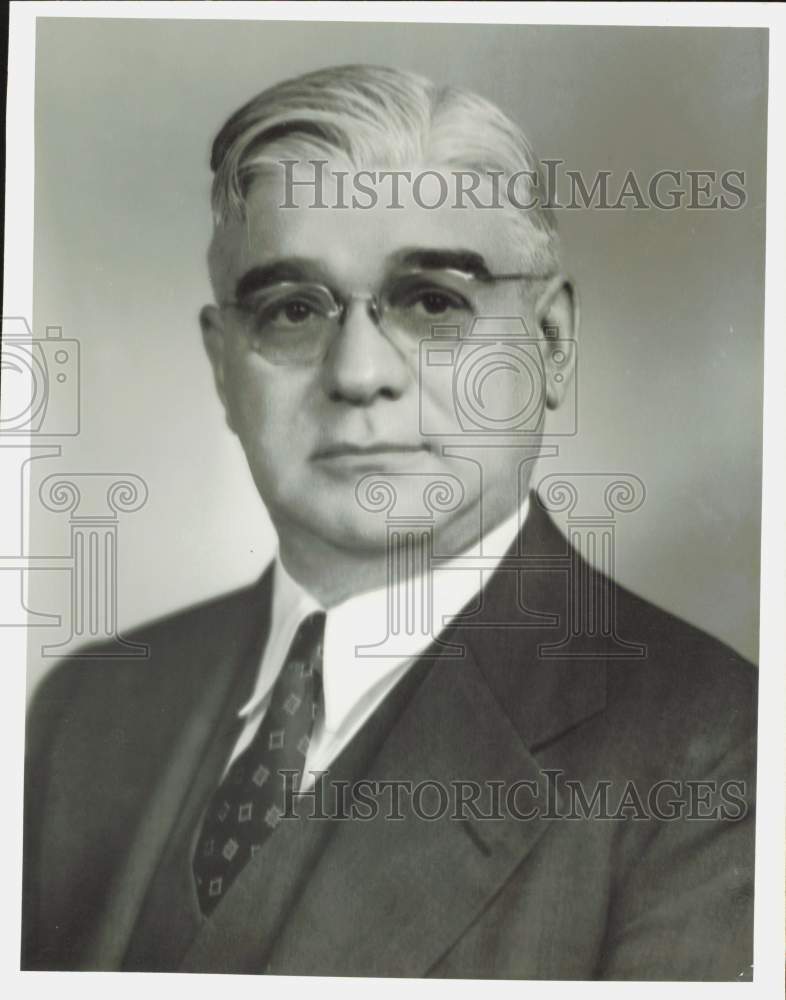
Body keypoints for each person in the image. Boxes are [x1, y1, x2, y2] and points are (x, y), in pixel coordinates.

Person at [22, 64, 756, 979]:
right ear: (223, 368)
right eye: (292, 310)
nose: (359, 372)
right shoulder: (81, 714)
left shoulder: (717, 752)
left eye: (433, 302)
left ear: (551, 344)